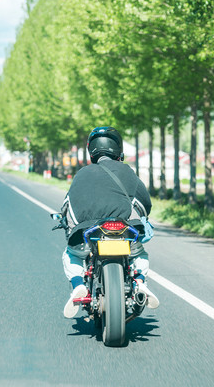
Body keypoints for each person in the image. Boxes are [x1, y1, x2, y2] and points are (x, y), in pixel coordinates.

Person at [61, 126, 159, 318]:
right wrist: (142, 216)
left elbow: (67, 206)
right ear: (118, 150)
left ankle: (78, 286)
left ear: (91, 150)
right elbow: (144, 202)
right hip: (124, 229)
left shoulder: (81, 174)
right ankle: (139, 281)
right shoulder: (127, 171)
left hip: (87, 232)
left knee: (70, 254)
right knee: (139, 253)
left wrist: (67, 224)